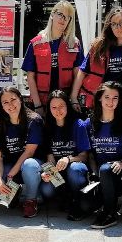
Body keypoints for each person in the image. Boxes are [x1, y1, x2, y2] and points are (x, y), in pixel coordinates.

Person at [85, 81, 122, 229]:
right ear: (99, 98)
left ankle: (110, 214)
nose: (111, 102)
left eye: (115, 98)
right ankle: (103, 205)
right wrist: (93, 174)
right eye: (107, 97)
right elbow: (91, 155)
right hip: (101, 177)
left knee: (107, 168)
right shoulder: (90, 123)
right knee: (85, 205)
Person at [71, 7, 122, 112]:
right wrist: (73, 98)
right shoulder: (99, 46)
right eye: (114, 24)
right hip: (99, 101)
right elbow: (82, 71)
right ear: (110, 27)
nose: (118, 27)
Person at [0, 86, 43, 217]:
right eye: (5, 102)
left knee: (29, 165)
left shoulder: (34, 120)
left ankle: (31, 200)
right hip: (10, 165)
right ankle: (14, 193)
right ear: (1, 106)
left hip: (30, 164)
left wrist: (11, 174)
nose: (10, 105)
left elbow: (29, 152)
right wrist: (0, 180)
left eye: (13, 99)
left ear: (20, 100)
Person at [21, 0, 84, 111]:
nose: (63, 19)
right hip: (42, 103)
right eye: (60, 14)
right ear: (52, 15)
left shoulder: (74, 43)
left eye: (67, 17)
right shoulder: (36, 43)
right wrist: (37, 105)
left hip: (65, 103)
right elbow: (30, 77)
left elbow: (78, 74)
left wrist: (73, 99)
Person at [40, 90, 90, 220]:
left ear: (67, 106)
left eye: (61, 106)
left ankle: (76, 200)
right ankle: (64, 195)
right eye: (54, 107)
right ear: (49, 109)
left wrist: (68, 159)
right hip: (58, 172)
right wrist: (48, 173)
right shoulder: (47, 127)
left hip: (75, 169)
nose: (58, 110)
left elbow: (84, 156)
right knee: (46, 190)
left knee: (75, 169)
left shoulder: (77, 124)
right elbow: (50, 159)